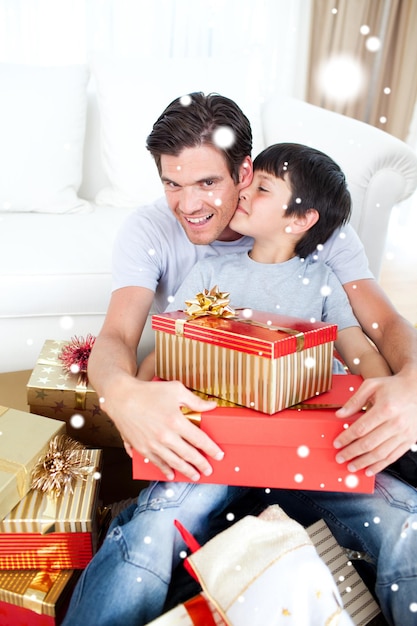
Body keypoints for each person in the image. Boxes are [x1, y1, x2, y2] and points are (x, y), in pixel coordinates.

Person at [63, 140, 417, 626]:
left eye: (262, 187)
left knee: (406, 517)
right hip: (215, 447)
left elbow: (359, 349)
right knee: (156, 522)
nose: (246, 193)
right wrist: (135, 401)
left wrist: (388, 401)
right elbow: (170, 344)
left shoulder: (324, 278)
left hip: (312, 451)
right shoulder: (211, 270)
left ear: (300, 220)